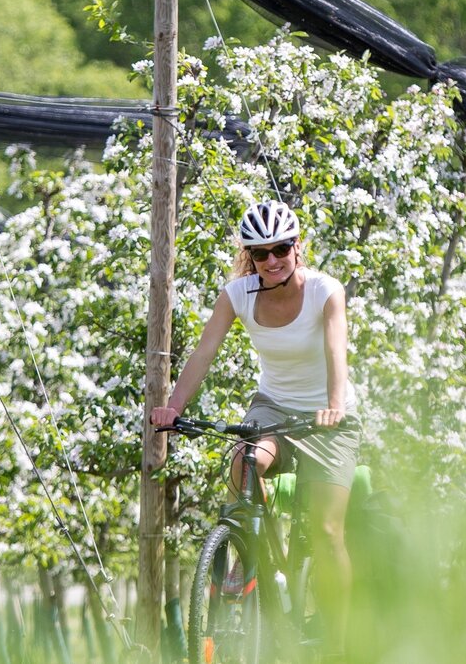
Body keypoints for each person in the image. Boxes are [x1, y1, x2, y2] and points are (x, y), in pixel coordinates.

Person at [150, 200, 361, 658]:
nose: (272, 261)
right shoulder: (238, 294)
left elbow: (335, 350)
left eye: (281, 248)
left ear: (297, 247)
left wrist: (333, 404)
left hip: (329, 417)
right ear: (250, 256)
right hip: (273, 407)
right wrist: (172, 407)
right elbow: (204, 353)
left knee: (327, 533)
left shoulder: (326, 290)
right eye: (260, 253)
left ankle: (342, 646)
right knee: (245, 461)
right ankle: (253, 554)